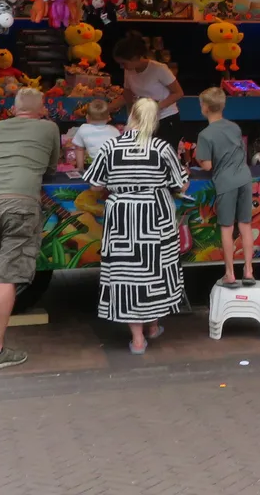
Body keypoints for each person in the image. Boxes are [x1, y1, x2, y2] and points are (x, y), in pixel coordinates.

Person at [84, 97, 188, 354]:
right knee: (152, 271)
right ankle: (152, 327)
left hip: (123, 217)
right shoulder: (162, 149)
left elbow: (95, 185)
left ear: (131, 115)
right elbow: (181, 185)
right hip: (155, 215)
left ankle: (138, 338)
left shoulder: (110, 146)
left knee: (128, 274)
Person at [0, 88, 59, 371]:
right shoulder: (49, 128)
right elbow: (51, 166)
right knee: (8, 277)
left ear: (13, 107)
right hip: (21, 200)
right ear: (42, 108)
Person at [195, 87, 255, 289]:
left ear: (204, 108)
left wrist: (197, 156)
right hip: (245, 178)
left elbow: (208, 165)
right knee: (246, 225)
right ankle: (248, 270)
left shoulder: (205, 135)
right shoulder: (234, 127)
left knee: (227, 228)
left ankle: (230, 273)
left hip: (226, 182)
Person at [112, 32, 184, 154]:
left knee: (164, 156)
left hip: (165, 119)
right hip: (142, 121)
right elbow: (127, 96)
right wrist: (105, 109)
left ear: (135, 58)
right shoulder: (128, 71)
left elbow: (178, 93)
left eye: (123, 63)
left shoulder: (159, 69)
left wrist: (154, 108)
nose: (121, 66)